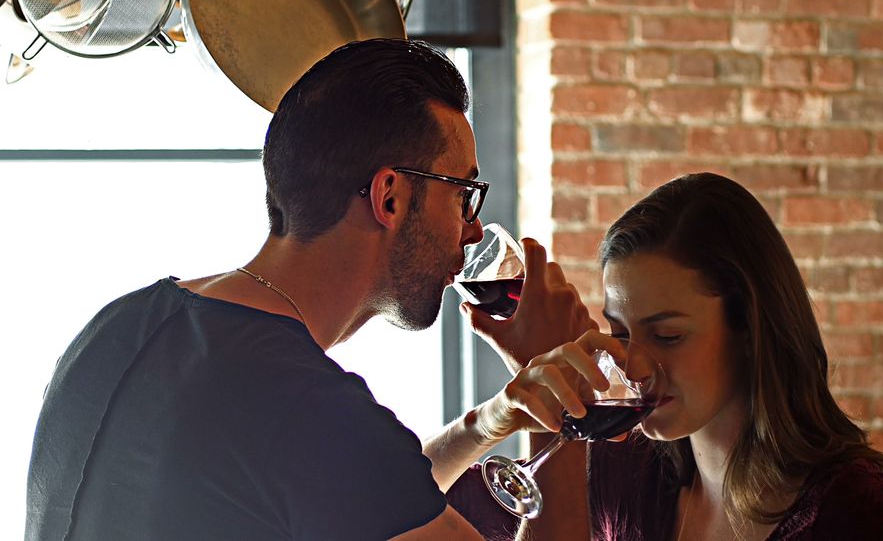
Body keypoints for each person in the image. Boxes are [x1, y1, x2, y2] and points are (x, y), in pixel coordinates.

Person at [24, 38, 597, 541]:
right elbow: (337, 462)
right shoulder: (307, 406)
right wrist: (573, 413)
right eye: (463, 193)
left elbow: (356, 493)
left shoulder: (119, 324)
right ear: (389, 197)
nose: (472, 230)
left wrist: (491, 420)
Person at [447, 173, 883, 540]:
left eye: (668, 336)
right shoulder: (620, 472)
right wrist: (509, 411)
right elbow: (403, 503)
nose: (634, 367)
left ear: (750, 328)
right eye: (620, 332)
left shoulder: (862, 516)